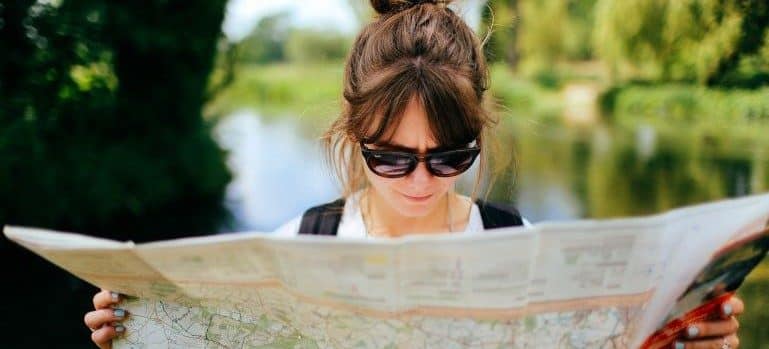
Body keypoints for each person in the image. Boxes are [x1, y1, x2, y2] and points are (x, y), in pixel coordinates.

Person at [83, 0, 745, 348]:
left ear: (480, 134)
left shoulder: (522, 244)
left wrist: (687, 342)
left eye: (451, 154)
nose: (422, 180)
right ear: (352, 135)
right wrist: (141, 337)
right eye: (392, 157)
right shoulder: (299, 242)